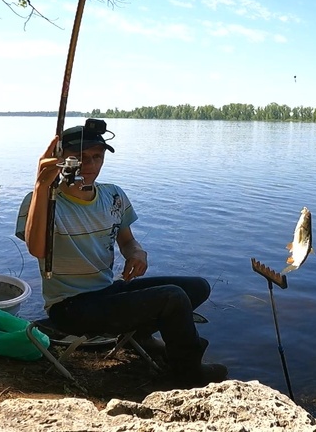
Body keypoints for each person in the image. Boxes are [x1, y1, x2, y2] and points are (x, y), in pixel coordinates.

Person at [15, 119, 227, 387]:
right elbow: (36, 249)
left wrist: (137, 254)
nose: (90, 165)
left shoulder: (113, 195)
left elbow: (128, 241)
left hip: (106, 292)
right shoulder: (42, 200)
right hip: (70, 307)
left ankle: (140, 336)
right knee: (172, 297)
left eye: (97, 157)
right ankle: (188, 374)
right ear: (60, 160)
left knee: (197, 287)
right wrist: (41, 187)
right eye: (80, 158)